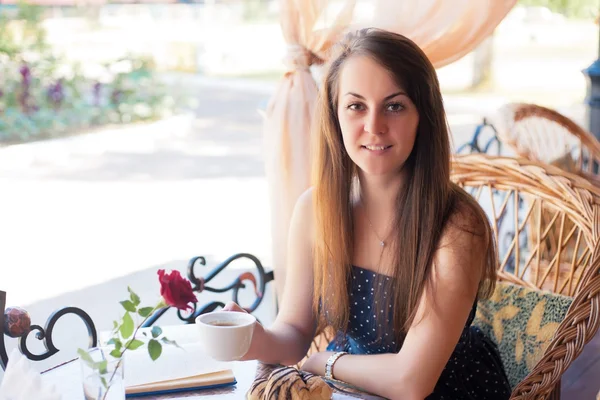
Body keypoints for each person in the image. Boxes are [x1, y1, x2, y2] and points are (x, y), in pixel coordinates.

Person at [223, 28, 511, 400]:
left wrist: (324, 362)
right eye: (356, 105)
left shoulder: (457, 226)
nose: (374, 126)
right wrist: (254, 339)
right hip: (351, 390)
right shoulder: (316, 209)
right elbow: (294, 332)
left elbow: (412, 382)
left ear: (423, 115)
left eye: (394, 105)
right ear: (335, 115)